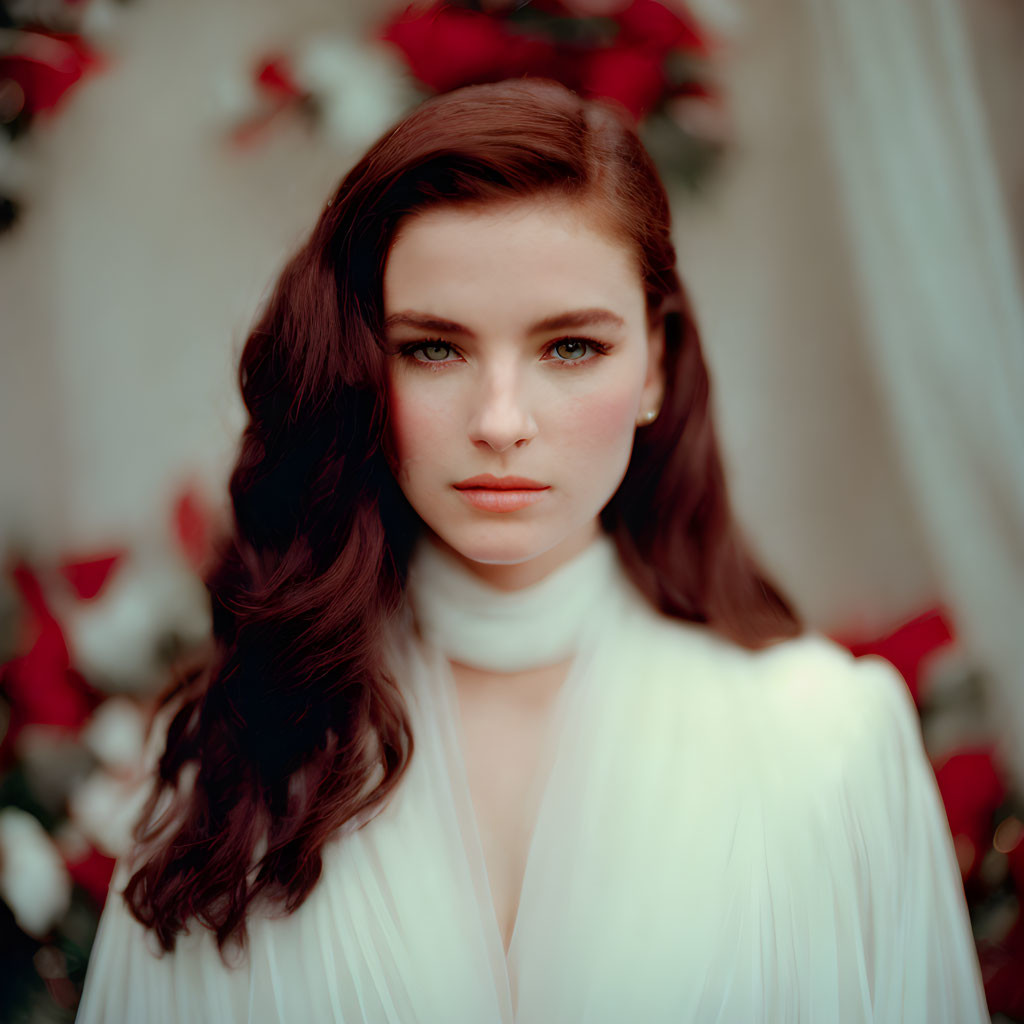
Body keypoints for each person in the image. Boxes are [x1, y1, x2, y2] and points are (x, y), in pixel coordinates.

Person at [75, 78, 989, 1023]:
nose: (500, 422)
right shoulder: (234, 758)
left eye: (570, 349)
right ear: (359, 367)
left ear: (657, 368)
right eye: (434, 348)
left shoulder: (828, 744)